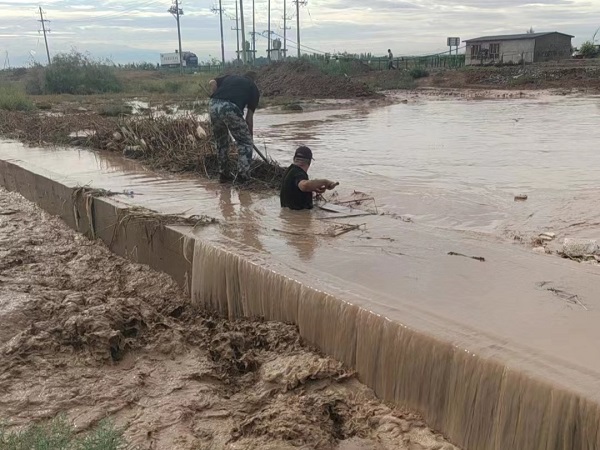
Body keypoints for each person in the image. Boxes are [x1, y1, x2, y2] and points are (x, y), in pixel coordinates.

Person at [208, 71, 260, 183]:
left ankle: (224, 175)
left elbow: (212, 82)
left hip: (213, 104)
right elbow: (248, 119)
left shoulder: (230, 77)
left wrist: (214, 94)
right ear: (254, 80)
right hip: (229, 107)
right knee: (245, 143)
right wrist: (249, 139)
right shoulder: (253, 88)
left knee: (221, 142)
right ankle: (243, 177)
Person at [280, 146, 338, 210]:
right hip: (300, 216)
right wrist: (325, 182)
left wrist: (313, 188)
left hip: (287, 216)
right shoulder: (299, 173)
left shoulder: (289, 171)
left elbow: (295, 189)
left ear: (294, 159)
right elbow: (304, 185)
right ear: (309, 162)